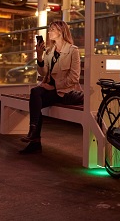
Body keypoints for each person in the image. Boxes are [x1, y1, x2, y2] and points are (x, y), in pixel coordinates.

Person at [19, 20, 83, 154]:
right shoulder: (49, 52)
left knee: (36, 96)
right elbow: (43, 73)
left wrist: (54, 87)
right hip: (50, 90)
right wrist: (39, 56)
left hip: (65, 92)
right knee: (35, 93)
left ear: (61, 31)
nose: (49, 32)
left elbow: (74, 78)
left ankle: (34, 138)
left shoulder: (73, 51)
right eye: (49, 29)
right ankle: (33, 134)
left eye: (52, 29)